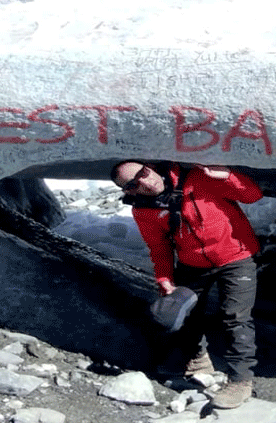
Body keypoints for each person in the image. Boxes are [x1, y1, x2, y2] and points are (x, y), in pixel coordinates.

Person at [111, 160, 263, 409]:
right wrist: (164, 279)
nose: (145, 182)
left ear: (150, 166)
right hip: (193, 264)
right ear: (128, 191)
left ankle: (240, 380)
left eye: (143, 172)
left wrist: (227, 176)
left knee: (235, 316)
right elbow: (159, 247)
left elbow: (252, 196)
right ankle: (198, 358)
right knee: (183, 314)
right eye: (133, 183)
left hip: (236, 256)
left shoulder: (200, 178)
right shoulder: (143, 210)